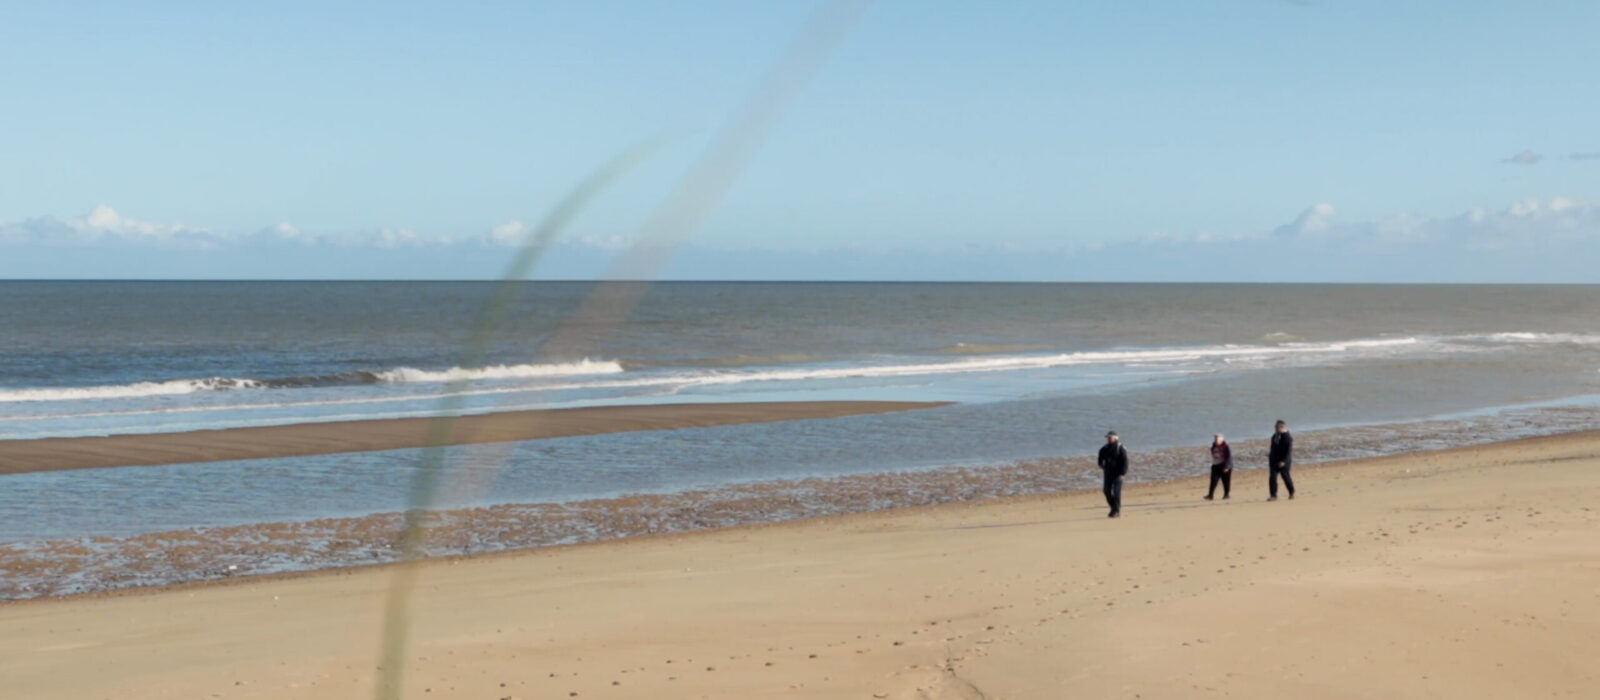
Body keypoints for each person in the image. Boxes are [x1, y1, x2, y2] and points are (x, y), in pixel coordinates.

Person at [1097, 430, 1129, 518]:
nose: (1108, 439)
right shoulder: (1105, 448)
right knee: (1106, 491)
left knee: (1116, 492)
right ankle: (1113, 508)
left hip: (1118, 474)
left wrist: (1122, 473)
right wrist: (1102, 466)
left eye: (1110, 437)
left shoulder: (1120, 448)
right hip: (1108, 473)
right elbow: (1100, 459)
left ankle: (1117, 511)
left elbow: (1125, 462)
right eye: (1108, 438)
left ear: (1115, 438)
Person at [1268, 419, 1295, 501]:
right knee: (1272, 477)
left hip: (1284, 461)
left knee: (1286, 477)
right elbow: (1273, 448)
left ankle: (1291, 492)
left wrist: (1283, 461)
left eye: (1277, 427)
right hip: (1274, 461)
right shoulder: (1274, 436)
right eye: (1275, 427)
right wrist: (1270, 457)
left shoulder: (1287, 437)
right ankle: (1273, 495)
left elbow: (1288, 451)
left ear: (1282, 427)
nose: (1275, 429)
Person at [1204, 433, 1232, 500]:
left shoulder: (1225, 447)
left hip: (1224, 466)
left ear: (1222, 440)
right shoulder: (1213, 446)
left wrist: (1227, 467)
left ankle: (1226, 494)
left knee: (1225, 481)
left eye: (1218, 439)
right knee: (1213, 481)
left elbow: (1228, 457)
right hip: (1215, 466)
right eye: (1215, 439)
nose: (1216, 440)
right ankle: (1210, 495)